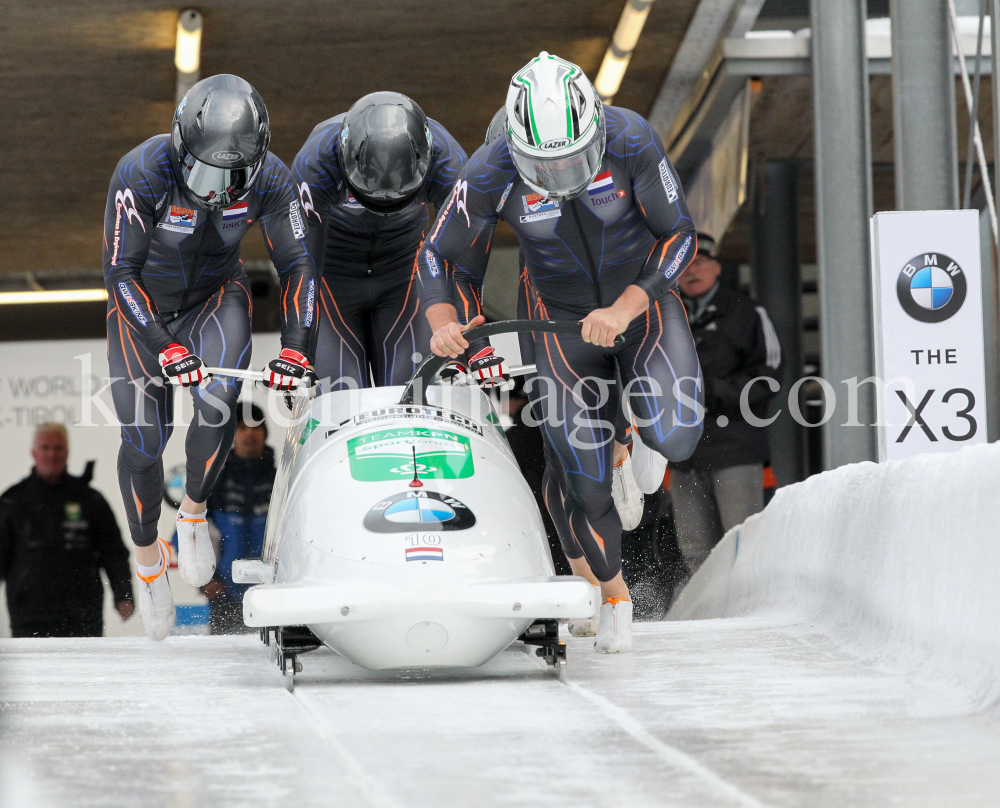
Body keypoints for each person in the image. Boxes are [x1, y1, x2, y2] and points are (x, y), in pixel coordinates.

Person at [420, 52, 703, 653]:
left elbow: (680, 234)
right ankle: (615, 597)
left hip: (640, 306)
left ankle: (631, 428)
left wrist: (627, 308)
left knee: (677, 436)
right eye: (545, 167)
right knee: (584, 484)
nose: (563, 177)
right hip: (561, 324)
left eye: (575, 160)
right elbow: (438, 254)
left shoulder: (630, 138)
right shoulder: (493, 164)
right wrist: (445, 321)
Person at [103, 74, 317, 641]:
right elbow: (120, 273)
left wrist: (296, 350)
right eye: (202, 172)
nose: (215, 190)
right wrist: (163, 345)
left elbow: (297, 266)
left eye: (231, 178)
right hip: (143, 310)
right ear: (179, 144)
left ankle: (194, 510)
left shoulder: (272, 178)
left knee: (218, 399)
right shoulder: (141, 171)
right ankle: (149, 560)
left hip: (215, 297)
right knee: (145, 442)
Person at [291, 92, 501, 392]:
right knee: (340, 400)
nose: (386, 201)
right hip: (334, 277)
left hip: (405, 274)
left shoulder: (449, 160)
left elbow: (461, 259)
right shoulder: (315, 161)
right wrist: (300, 350)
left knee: (411, 397)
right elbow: (304, 261)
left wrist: (474, 346)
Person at [669, 233, 782, 574]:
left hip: (735, 448)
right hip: (681, 453)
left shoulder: (746, 312)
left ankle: (748, 618)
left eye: (700, 262)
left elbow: (770, 374)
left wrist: (712, 392)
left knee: (742, 542)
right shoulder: (663, 318)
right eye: (685, 265)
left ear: (717, 268)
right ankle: (708, 623)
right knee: (694, 549)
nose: (692, 270)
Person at [0, 424, 134, 637]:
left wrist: (123, 594)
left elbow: (113, 551)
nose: (51, 454)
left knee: (85, 671)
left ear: (68, 452)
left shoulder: (90, 499)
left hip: (83, 614)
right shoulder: (12, 501)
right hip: (29, 615)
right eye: (45, 448)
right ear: (34, 453)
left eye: (58, 447)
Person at [200, 404, 275, 634]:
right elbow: (191, 531)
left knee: (277, 663)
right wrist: (207, 579)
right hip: (224, 594)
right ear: (232, 435)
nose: (249, 434)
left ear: (265, 432)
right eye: (242, 428)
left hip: (274, 593)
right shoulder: (213, 479)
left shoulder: (283, 476)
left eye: (255, 427)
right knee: (226, 664)